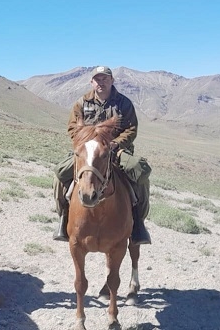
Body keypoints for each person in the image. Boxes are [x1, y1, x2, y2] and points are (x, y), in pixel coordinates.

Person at [53, 66, 152, 245]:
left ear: (112, 81)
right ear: (92, 82)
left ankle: (138, 223)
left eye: (105, 79)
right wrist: (83, 143)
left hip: (116, 149)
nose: (101, 82)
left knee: (140, 172)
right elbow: (72, 127)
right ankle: (63, 217)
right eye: (97, 79)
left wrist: (114, 144)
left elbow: (131, 130)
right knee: (60, 173)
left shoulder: (124, 103)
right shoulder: (81, 103)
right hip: (88, 150)